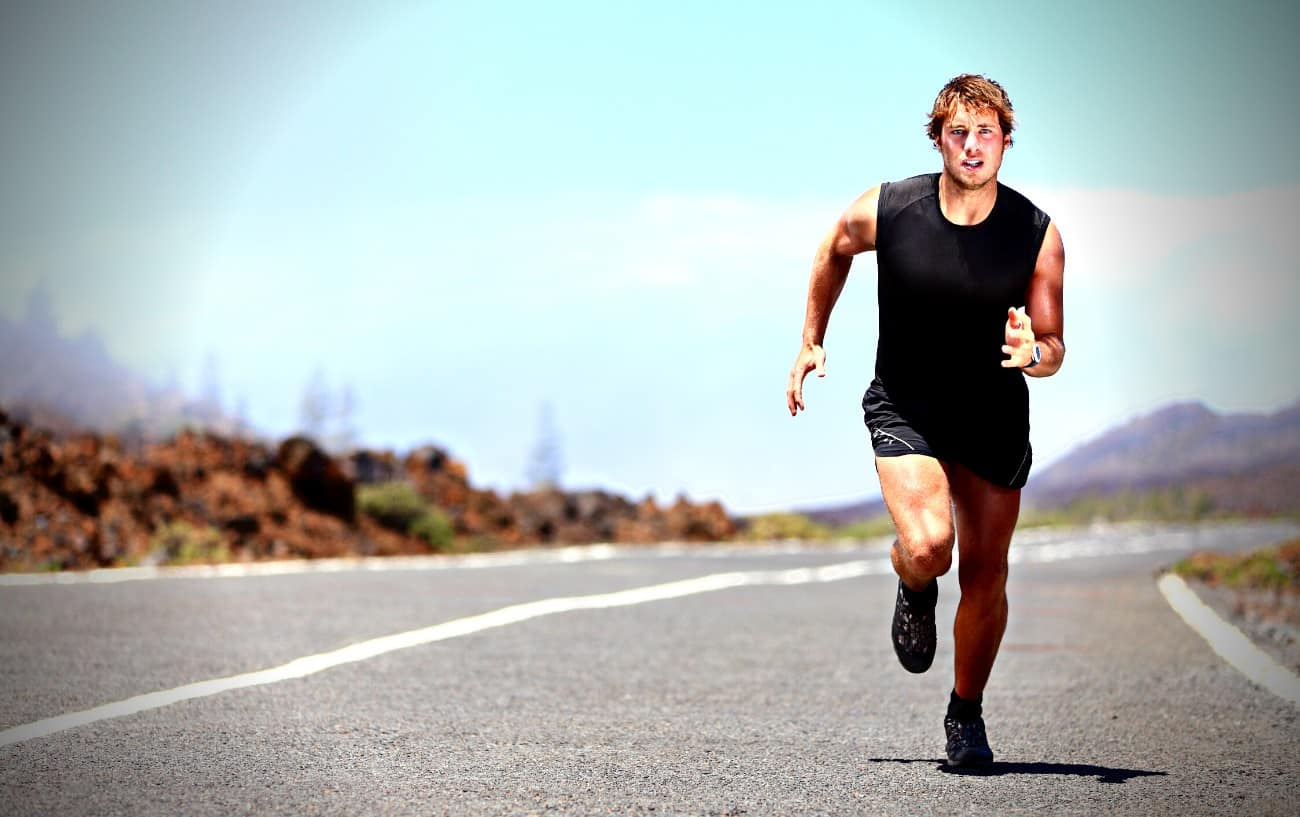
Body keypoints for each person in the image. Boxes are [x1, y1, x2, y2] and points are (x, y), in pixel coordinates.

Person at [785, 74, 1065, 766]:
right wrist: (812, 337)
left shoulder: (1037, 234)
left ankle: (964, 713)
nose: (973, 146)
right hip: (907, 405)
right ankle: (913, 577)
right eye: (959, 132)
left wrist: (1036, 354)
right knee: (932, 544)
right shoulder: (892, 208)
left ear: (1006, 141)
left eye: (987, 132)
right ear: (938, 138)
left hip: (994, 418)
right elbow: (832, 247)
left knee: (986, 576)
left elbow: (1054, 345)